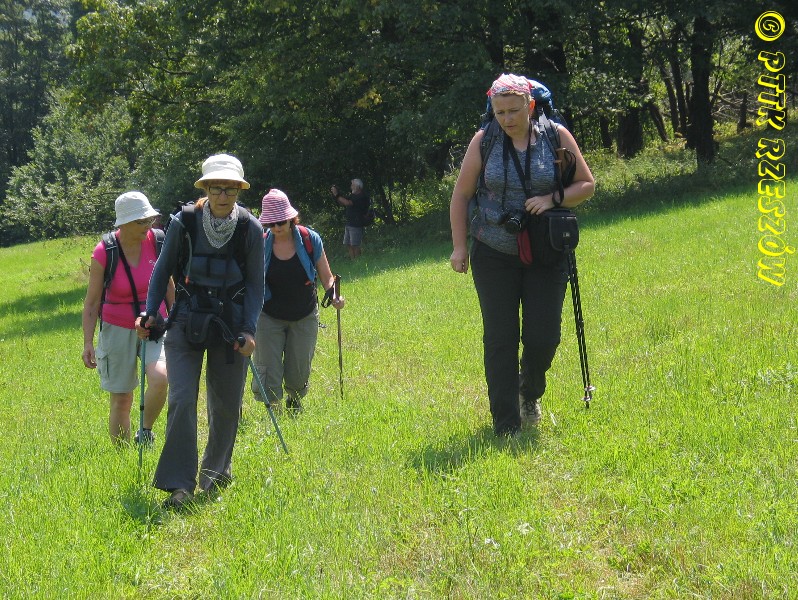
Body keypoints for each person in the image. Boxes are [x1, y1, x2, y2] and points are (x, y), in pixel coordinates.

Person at [449, 73, 595, 438]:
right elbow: (461, 195)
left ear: (529, 106)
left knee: (544, 337)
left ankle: (528, 392)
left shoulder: (556, 136)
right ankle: (506, 425)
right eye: (500, 112)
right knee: (500, 338)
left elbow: (586, 185)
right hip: (493, 250)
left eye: (514, 111)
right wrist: (459, 246)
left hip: (546, 249)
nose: (507, 119)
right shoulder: (484, 141)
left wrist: (552, 199)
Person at [137, 153, 265, 509]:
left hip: (230, 325)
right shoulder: (184, 222)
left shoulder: (251, 228)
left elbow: (256, 285)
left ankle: (215, 474)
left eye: (231, 189)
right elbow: (162, 271)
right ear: (205, 188)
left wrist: (249, 330)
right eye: (216, 188)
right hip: (185, 320)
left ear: (239, 190)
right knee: (181, 399)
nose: (223, 195)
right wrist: (150, 313)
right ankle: (180, 486)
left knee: (226, 405)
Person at [82, 191, 172, 446]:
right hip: (117, 327)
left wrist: (175, 320)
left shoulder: (158, 241)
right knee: (122, 399)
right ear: (123, 223)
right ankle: (121, 455)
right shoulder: (104, 252)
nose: (148, 226)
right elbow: (92, 303)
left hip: (154, 323)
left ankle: (145, 431)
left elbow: (169, 286)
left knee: (160, 378)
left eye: (149, 220)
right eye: (141, 222)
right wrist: (88, 343)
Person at [252, 189, 345, 414]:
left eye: (281, 222)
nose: (276, 227)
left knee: (299, 367)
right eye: (271, 223)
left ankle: (295, 402)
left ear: (291, 218)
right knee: (268, 367)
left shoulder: (309, 239)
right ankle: (274, 411)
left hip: (304, 314)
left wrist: (334, 295)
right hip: (268, 315)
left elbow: (326, 276)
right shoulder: (259, 244)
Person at [331, 178, 370, 258]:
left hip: (356, 224)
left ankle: (358, 260)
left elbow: (348, 203)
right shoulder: (353, 195)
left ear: (357, 186)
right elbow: (343, 202)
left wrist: (337, 195)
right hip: (349, 223)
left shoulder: (361, 196)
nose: (351, 186)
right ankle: (353, 260)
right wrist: (337, 196)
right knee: (348, 244)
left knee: (355, 244)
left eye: (352, 185)